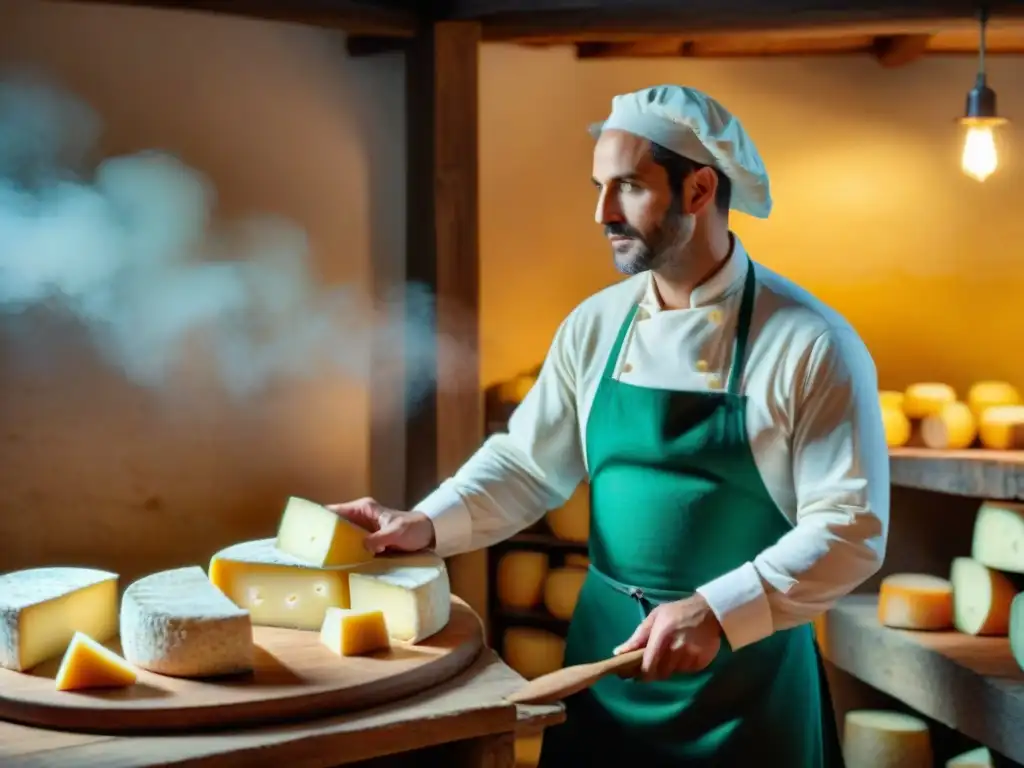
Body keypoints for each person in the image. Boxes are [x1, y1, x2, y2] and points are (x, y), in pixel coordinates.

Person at [329, 84, 889, 766]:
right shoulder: (594, 325)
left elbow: (851, 525)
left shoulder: (811, 343)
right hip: (602, 661)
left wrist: (717, 610)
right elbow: (528, 463)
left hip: (746, 681)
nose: (601, 213)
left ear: (700, 189)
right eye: (598, 187)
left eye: (626, 187)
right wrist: (425, 523)